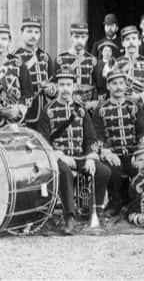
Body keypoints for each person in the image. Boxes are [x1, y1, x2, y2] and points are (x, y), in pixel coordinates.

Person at [36, 68, 111, 235]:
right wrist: (57, 155)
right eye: (61, 84)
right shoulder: (47, 110)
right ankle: (69, 216)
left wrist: (91, 158)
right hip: (58, 157)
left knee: (104, 171)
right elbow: (43, 141)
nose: (65, 89)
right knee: (65, 172)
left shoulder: (82, 110)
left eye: (68, 85)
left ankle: (95, 211)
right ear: (56, 86)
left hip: (80, 156)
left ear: (74, 86)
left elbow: (91, 138)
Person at [92, 70, 144, 216]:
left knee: (143, 167)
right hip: (113, 154)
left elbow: (143, 131)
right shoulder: (101, 109)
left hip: (133, 153)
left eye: (121, 83)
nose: (118, 87)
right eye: (114, 83)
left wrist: (139, 154)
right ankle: (115, 202)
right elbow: (97, 136)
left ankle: (136, 204)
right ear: (108, 86)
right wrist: (105, 151)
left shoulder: (134, 106)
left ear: (125, 86)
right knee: (112, 170)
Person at [0, 23, 33, 129]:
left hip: (15, 122)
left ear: (9, 40)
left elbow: (28, 93)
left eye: (4, 39)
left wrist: (19, 110)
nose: (0, 42)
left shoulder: (18, 63)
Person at [13, 16, 57, 129]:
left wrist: (50, 89)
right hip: (23, 109)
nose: (33, 35)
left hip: (42, 108)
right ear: (22, 33)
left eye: (36, 32)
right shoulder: (13, 57)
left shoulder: (45, 57)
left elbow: (53, 82)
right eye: (29, 31)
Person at [55, 23, 100, 111]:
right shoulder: (61, 59)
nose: (79, 40)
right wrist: (71, 96)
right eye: (76, 37)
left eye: (83, 37)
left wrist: (93, 102)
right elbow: (55, 85)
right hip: (66, 105)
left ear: (87, 38)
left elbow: (96, 85)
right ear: (71, 37)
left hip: (87, 106)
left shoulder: (92, 60)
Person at [114, 25, 144, 110]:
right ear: (123, 43)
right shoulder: (116, 64)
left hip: (143, 110)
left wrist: (139, 97)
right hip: (120, 108)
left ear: (139, 41)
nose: (131, 42)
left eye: (134, 39)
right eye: (127, 39)